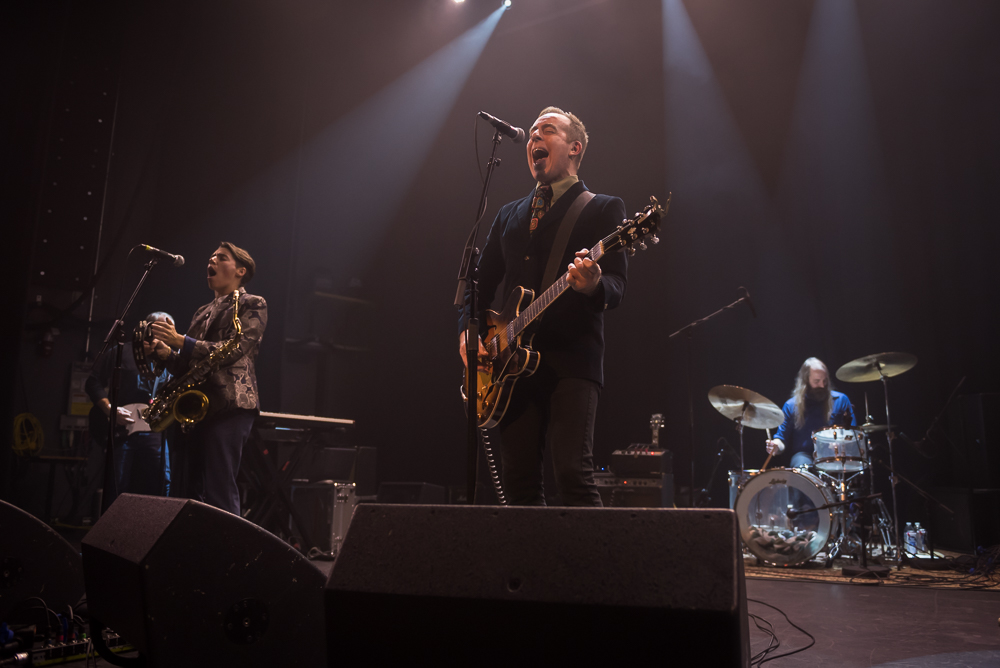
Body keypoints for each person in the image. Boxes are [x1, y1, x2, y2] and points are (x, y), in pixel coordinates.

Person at [459, 106, 628, 506]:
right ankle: (529, 570)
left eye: (546, 131)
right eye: (532, 133)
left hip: (572, 361)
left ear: (574, 148)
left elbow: (618, 284)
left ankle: (595, 568)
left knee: (572, 473)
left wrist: (592, 285)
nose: (534, 138)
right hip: (509, 367)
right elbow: (477, 287)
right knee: (519, 483)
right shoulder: (508, 214)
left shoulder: (602, 208)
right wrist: (470, 335)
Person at [150, 242, 267, 514]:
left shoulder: (253, 303)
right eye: (211, 257)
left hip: (230, 403)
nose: (211, 261)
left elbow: (237, 348)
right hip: (196, 406)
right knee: (186, 489)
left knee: (219, 487)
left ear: (241, 270)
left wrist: (182, 340)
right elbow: (187, 366)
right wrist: (166, 352)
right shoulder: (201, 312)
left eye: (221, 258)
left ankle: (227, 553)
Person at [85, 312, 174, 496]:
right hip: (122, 429)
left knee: (163, 482)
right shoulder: (120, 352)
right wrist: (110, 410)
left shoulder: (170, 359)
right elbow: (92, 382)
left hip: (155, 431)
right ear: (146, 329)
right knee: (117, 483)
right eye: (160, 329)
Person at [766, 357, 856, 468]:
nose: (822, 386)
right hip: (804, 456)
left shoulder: (841, 400)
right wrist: (775, 446)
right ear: (805, 381)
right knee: (800, 465)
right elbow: (781, 438)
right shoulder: (791, 405)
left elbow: (853, 433)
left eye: (825, 381)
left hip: (834, 455)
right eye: (817, 381)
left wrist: (842, 444)